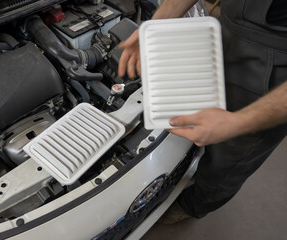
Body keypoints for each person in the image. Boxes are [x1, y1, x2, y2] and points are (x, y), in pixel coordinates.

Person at [118, 0, 287, 222]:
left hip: (274, 69)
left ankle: (193, 205)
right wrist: (156, 25)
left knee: (229, 160)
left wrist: (239, 122)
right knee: (189, 111)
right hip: (219, 33)